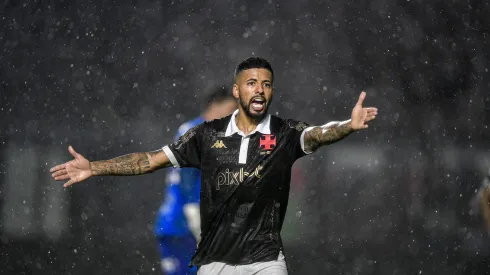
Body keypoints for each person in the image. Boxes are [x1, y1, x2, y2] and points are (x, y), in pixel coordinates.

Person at [50, 56, 378, 275]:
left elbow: (316, 134)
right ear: (236, 94)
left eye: (265, 84)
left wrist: (348, 125)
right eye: (251, 84)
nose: (258, 91)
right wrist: (94, 167)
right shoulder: (202, 136)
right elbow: (149, 160)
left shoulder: (280, 133)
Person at [154, 87, 236, 275]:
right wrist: (195, 216)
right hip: (183, 227)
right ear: (215, 106)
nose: (235, 116)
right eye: (232, 109)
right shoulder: (195, 131)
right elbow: (187, 178)